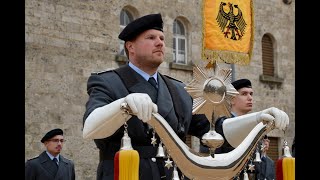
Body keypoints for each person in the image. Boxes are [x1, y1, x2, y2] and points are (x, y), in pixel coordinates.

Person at [82, 13, 289, 180]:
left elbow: (217, 131)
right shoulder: (108, 82)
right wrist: (123, 106)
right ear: (130, 47)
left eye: (162, 38)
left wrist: (257, 119)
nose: (160, 43)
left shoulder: (179, 90)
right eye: (151, 38)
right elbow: (90, 128)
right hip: (126, 173)